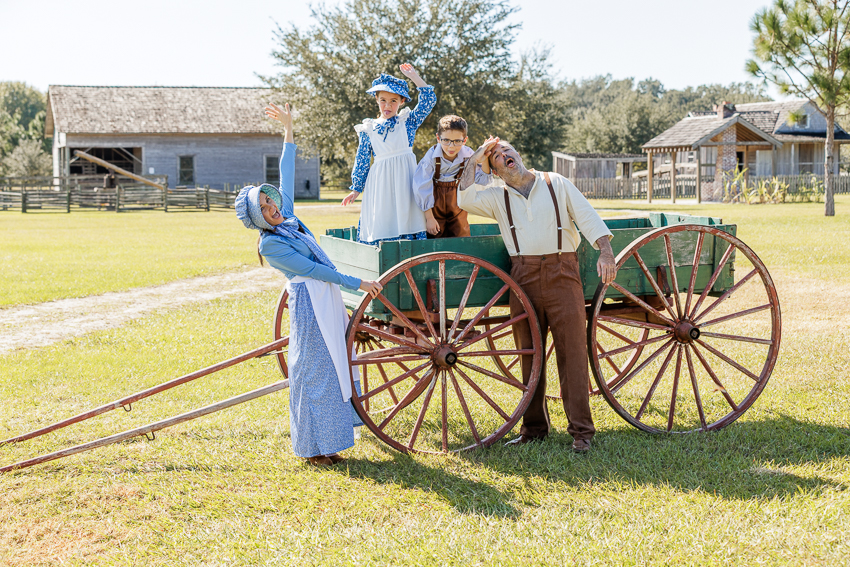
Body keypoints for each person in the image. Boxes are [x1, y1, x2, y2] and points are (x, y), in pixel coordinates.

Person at [235, 102, 383, 467]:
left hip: (325, 299)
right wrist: (358, 282)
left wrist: (288, 129)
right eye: (267, 209)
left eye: (271, 201)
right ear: (260, 220)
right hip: (310, 302)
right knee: (316, 369)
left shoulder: (287, 220)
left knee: (337, 364)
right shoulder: (272, 244)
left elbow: (286, 173)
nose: (275, 207)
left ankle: (331, 441)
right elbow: (315, 271)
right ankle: (314, 447)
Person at [457, 137, 618, 453]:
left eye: (508, 151)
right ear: (495, 171)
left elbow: (586, 214)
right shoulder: (495, 197)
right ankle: (534, 429)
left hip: (563, 273)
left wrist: (606, 252)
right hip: (523, 278)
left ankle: (582, 432)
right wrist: (477, 156)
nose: (505, 156)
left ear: (519, 154)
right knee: (529, 355)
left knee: (573, 352)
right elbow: (464, 197)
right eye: (498, 157)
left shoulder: (554, 182)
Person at [341, 63, 436, 245]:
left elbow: (428, 100)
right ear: (376, 99)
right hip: (380, 183)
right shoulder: (368, 128)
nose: (388, 105)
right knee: (384, 218)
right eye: (383, 100)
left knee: (408, 217)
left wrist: (415, 77)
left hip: (405, 181)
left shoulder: (407, 122)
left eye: (393, 101)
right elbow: (362, 159)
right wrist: (356, 189)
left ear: (401, 102)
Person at [412, 115, 491, 238]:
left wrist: (484, 158)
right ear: (438, 138)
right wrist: (429, 218)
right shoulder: (431, 157)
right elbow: (421, 188)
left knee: (461, 236)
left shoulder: (468, 155)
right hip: (434, 207)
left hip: (457, 205)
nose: (451, 146)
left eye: (457, 141)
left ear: (464, 140)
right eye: (446, 140)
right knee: (435, 238)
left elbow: (483, 180)